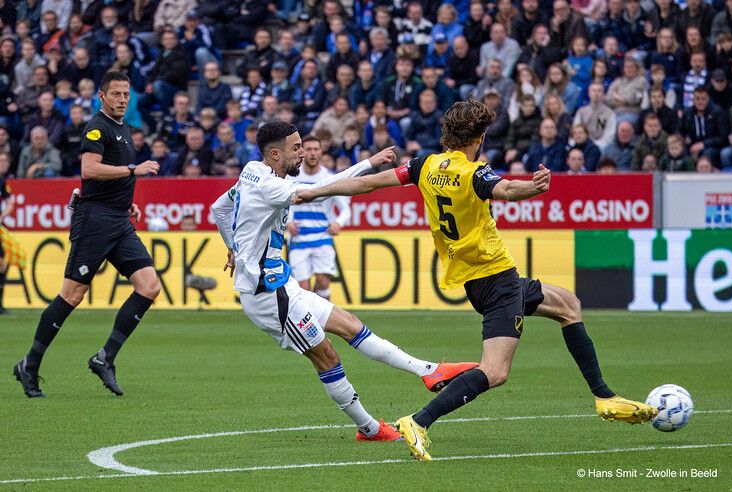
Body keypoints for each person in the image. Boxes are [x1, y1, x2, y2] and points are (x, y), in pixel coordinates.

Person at [295, 99, 658, 461]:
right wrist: (534, 186)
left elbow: (370, 183)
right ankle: (419, 420)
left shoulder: (425, 165)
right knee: (495, 371)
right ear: (480, 137)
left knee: (567, 304)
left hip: (486, 280)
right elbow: (507, 190)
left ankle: (605, 396)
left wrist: (315, 191)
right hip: (496, 279)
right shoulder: (475, 173)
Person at [210, 120, 477, 441]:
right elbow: (322, 189)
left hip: (282, 281)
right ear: (276, 154)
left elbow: (220, 207)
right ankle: (369, 428)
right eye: (296, 149)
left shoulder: (252, 169)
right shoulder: (272, 186)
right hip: (267, 295)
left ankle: (428, 370)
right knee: (327, 356)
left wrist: (233, 247)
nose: (301, 155)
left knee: (349, 323)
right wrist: (366, 167)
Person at [13, 71, 162, 398]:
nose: (122, 99)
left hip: (118, 219)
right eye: (116, 94)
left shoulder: (122, 129)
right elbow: (89, 170)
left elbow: (106, 179)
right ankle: (30, 364)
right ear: (102, 96)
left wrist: (127, 203)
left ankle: (105, 356)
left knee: (150, 286)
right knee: (73, 294)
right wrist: (133, 171)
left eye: (126, 94)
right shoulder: (96, 127)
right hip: (94, 220)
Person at [286, 135, 348, 300]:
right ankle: (311, 322)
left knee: (323, 283)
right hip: (299, 238)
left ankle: (324, 321)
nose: (312, 153)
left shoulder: (330, 178)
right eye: (308, 149)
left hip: (323, 236)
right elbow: (279, 205)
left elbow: (346, 209)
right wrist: (286, 222)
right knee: (303, 289)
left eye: (316, 149)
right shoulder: (291, 178)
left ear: (321, 152)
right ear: (301, 152)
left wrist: (338, 223)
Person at [0, 158, 15, 313]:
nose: (5, 165)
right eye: (1, 162)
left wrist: (2, 216)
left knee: (3, 262)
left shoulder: (2, 182)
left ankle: (0, 304)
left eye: (6, 162)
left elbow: (11, 203)